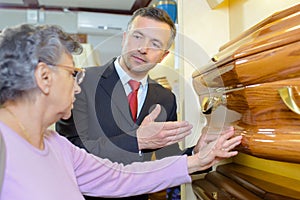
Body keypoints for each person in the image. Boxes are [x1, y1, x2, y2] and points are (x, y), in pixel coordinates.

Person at [0, 23, 242, 200]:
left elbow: (119, 176)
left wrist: (198, 158)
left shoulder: (56, 146)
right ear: (44, 77)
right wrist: (136, 139)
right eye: (73, 73)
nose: (76, 85)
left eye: (155, 44)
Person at [56, 7, 191, 200]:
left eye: (154, 44)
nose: (143, 48)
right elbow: (70, 151)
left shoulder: (166, 98)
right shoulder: (82, 82)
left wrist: (199, 152)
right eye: (137, 37)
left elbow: (167, 159)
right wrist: (137, 140)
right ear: (124, 37)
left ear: (163, 56)